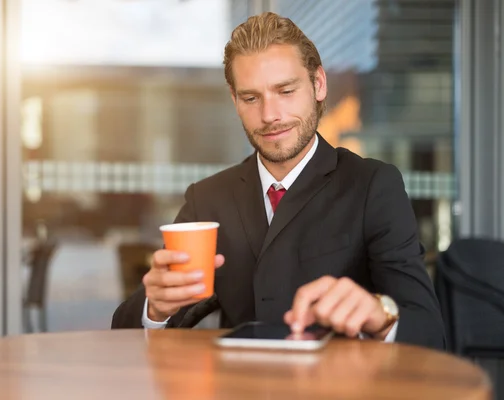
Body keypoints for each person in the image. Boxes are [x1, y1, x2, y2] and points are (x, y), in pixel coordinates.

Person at [111, 12, 445, 349]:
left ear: (318, 85)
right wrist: (155, 309)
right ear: (235, 100)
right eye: (251, 98)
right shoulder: (209, 199)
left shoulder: (373, 186)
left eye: (285, 91)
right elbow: (125, 334)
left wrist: (380, 314)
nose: (270, 115)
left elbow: (430, 333)